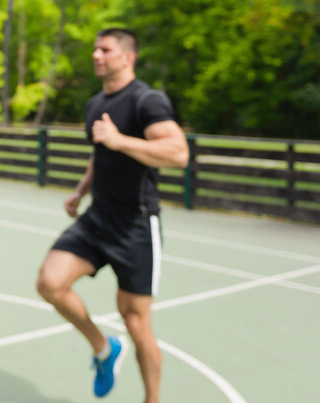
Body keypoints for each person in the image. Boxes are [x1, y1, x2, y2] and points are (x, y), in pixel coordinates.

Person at [36, 29, 188, 403]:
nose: (96, 55)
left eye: (105, 49)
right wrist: (79, 191)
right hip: (97, 216)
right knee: (49, 283)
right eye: (95, 48)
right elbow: (98, 155)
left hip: (135, 225)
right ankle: (104, 350)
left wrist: (120, 139)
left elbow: (178, 152)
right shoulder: (94, 105)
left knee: (136, 322)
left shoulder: (147, 100)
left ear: (127, 57)